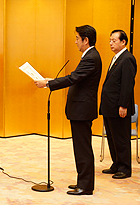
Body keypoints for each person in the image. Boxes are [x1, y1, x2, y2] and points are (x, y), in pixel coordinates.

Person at [35, 25, 102, 195]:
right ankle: (83, 181)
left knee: (83, 149)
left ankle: (86, 186)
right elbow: (76, 77)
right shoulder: (89, 56)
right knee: (80, 147)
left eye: (77, 38)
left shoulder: (91, 57)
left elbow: (73, 78)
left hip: (82, 109)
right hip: (80, 109)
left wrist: (49, 84)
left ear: (85, 40)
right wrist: (52, 80)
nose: (75, 41)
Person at [100, 30, 137, 179]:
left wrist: (123, 105)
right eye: (110, 40)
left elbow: (127, 84)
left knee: (121, 138)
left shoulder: (127, 58)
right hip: (110, 106)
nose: (111, 43)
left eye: (114, 40)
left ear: (123, 42)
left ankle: (125, 168)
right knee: (112, 137)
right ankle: (116, 163)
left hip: (119, 107)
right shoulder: (116, 58)